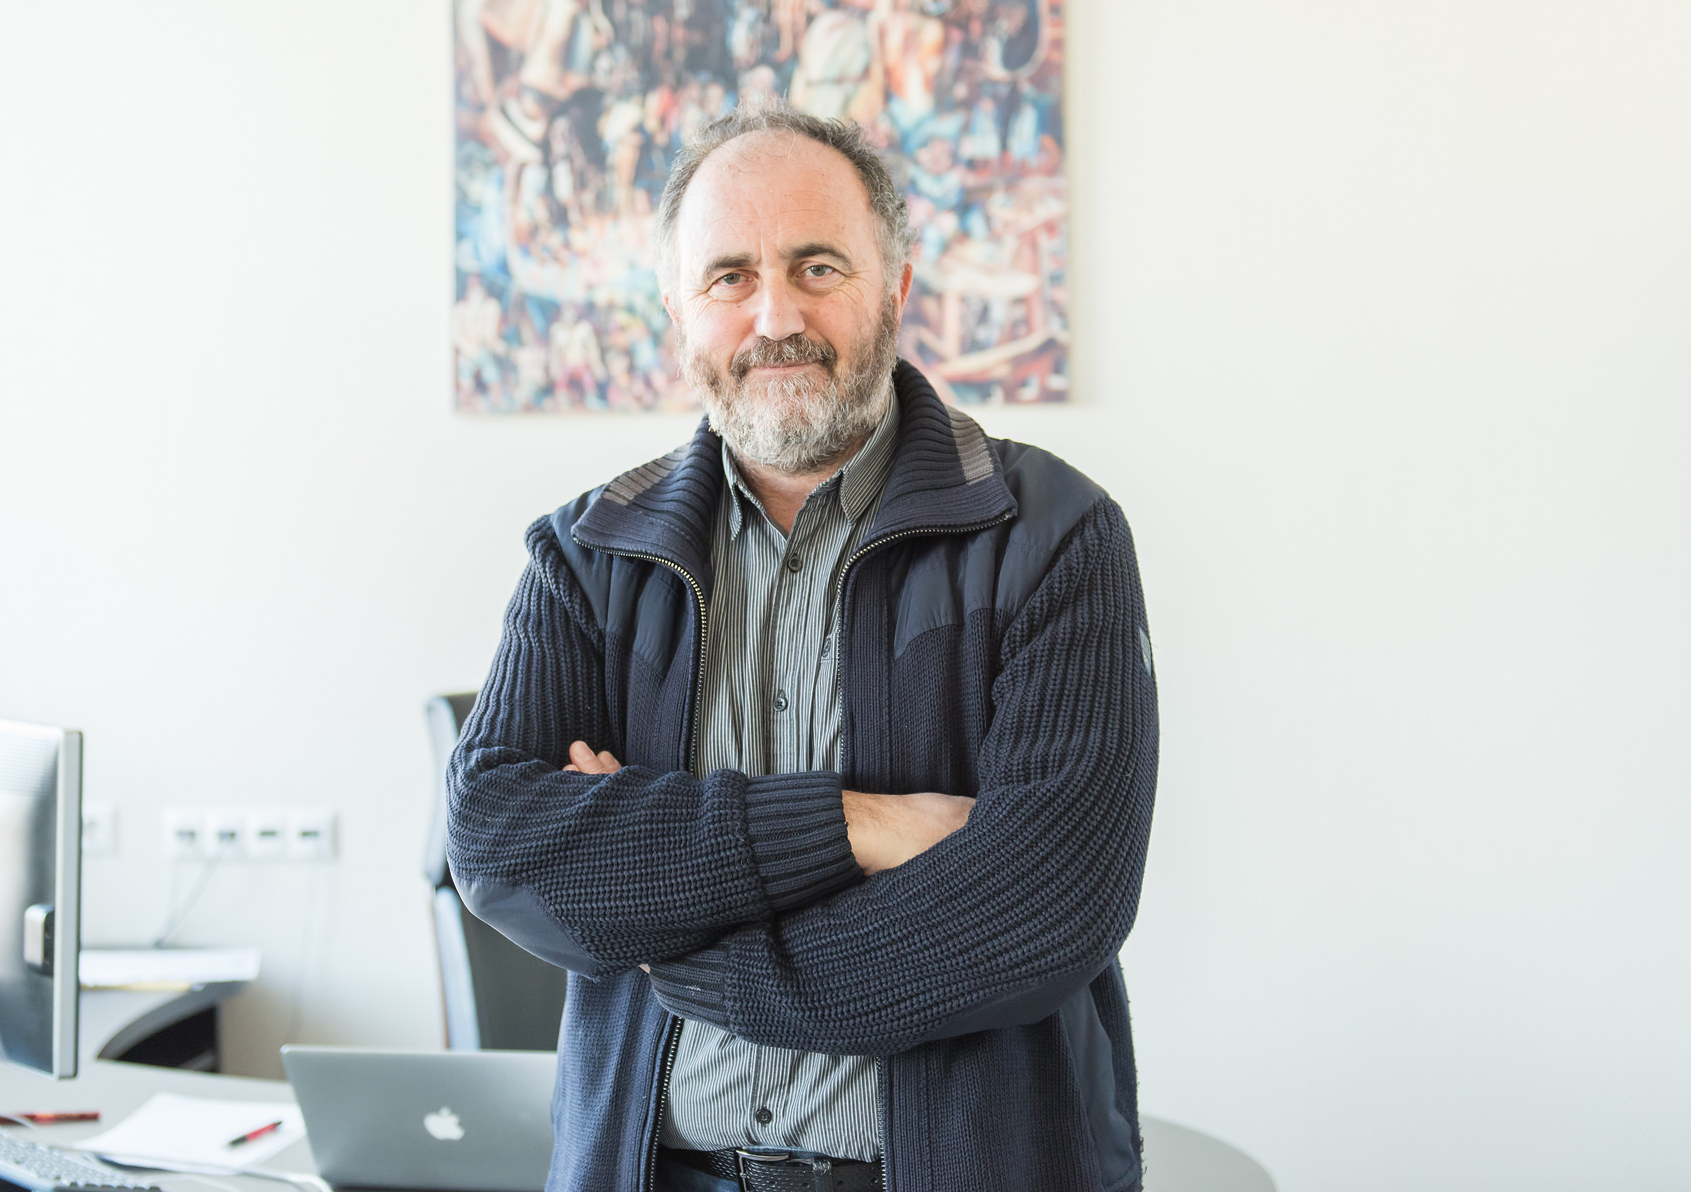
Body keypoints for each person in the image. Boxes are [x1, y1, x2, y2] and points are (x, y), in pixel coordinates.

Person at [447, 101, 1158, 1192]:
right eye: (729, 276)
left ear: (895, 287)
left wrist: (678, 929)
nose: (774, 315)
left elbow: (1046, 900)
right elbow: (497, 842)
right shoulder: (586, 553)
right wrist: (857, 825)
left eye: (816, 266)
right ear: (678, 311)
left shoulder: (1055, 534)